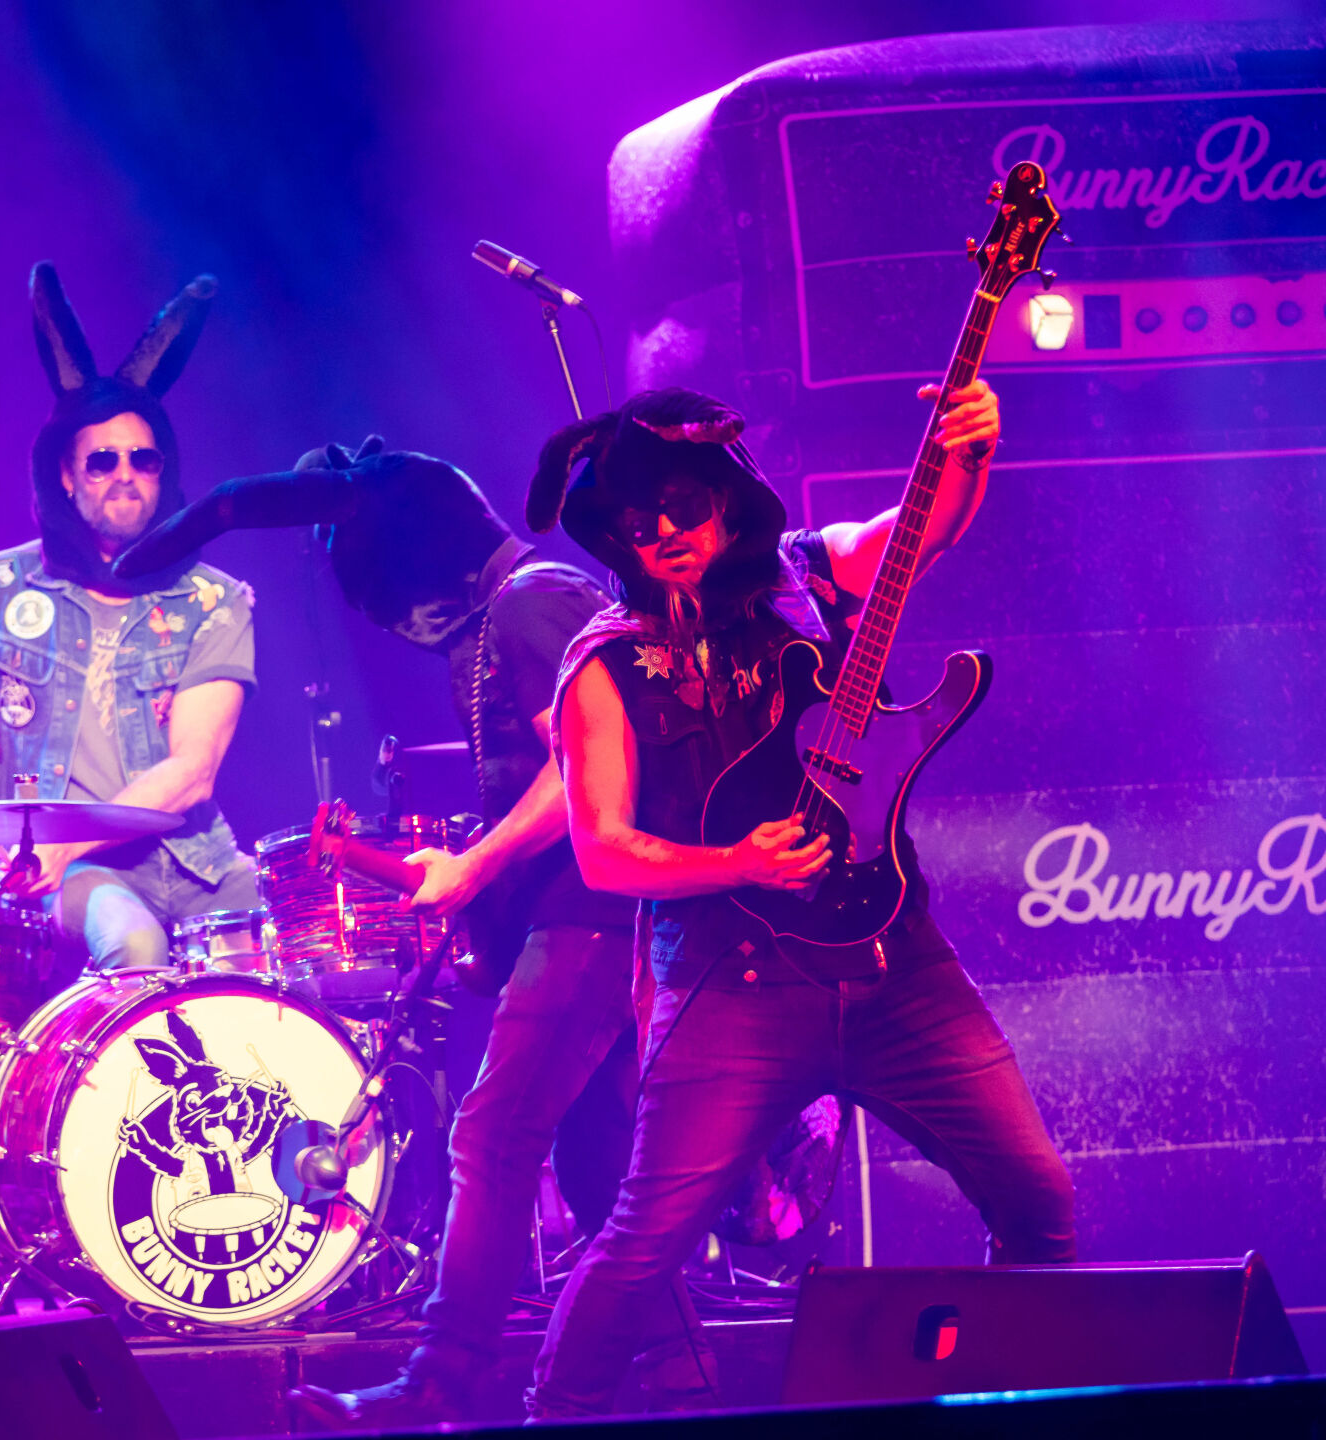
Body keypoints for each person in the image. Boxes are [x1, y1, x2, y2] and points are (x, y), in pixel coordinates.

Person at [112, 437, 713, 1426]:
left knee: (494, 1133)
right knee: (600, 1153)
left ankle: (442, 1375)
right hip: (586, 911)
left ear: (414, 571)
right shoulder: (519, 607)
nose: (393, 629)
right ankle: (683, 1375)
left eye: (389, 608)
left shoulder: (528, 606)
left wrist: (478, 865)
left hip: (596, 917)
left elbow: (593, 768)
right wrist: (477, 868)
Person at [520, 382, 1077, 1418]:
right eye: (638, 524)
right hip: (733, 991)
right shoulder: (603, 661)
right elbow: (604, 853)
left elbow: (917, 535)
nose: (665, 533)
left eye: (683, 506)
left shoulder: (808, 574)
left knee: (1039, 1200)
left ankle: (1016, 1405)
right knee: (642, 1248)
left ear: (727, 496)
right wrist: (737, 862)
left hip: (894, 963)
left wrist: (968, 457)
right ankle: (552, 1417)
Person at [0, 263, 258, 972]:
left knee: (300, 949)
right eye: (102, 461)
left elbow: (193, 768)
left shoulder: (212, 600)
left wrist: (70, 838)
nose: (125, 474)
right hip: (66, 872)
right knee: (135, 945)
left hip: (195, 863)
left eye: (144, 459)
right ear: (66, 476)